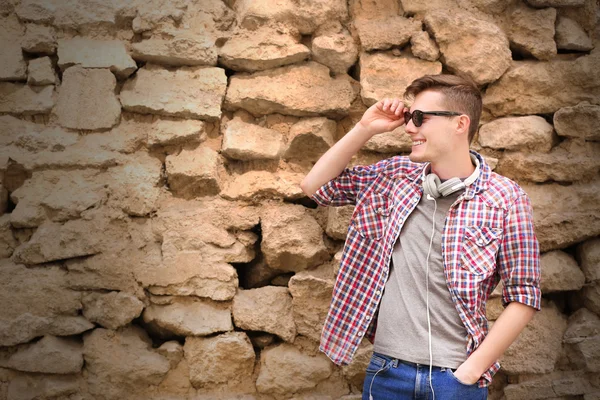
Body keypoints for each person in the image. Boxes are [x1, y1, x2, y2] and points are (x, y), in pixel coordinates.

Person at [300, 74, 541, 400]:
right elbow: (315, 187)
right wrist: (365, 128)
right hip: (387, 372)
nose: (409, 127)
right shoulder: (392, 176)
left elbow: (524, 294)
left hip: (455, 378)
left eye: (419, 118)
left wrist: (469, 371)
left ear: (460, 123)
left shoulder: (505, 198)